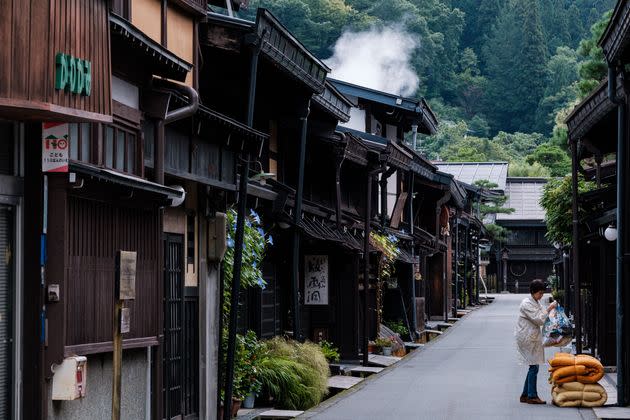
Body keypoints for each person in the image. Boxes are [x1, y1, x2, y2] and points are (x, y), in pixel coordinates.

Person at [515, 279, 557, 404]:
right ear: (533, 292)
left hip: (531, 336)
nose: (541, 296)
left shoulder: (535, 302)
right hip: (526, 337)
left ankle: (525, 394)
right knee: (534, 366)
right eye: (540, 293)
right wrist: (549, 308)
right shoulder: (526, 304)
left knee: (533, 365)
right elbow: (539, 319)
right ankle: (532, 396)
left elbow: (543, 316)